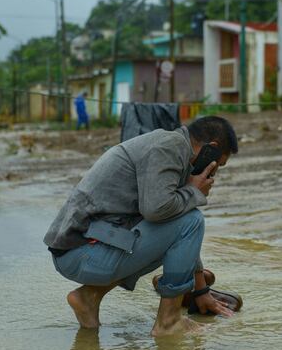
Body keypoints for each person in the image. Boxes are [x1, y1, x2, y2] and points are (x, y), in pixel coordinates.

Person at [44, 116, 238, 336]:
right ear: (209, 150)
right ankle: (169, 322)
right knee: (192, 220)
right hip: (81, 252)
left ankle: (89, 297)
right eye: (218, 164)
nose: (215, 173)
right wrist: (193, 191)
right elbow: (158, 211)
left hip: (81, 249)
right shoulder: (170, 148)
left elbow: (175, 228)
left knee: (185, 222)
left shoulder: (171, 148)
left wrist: (201, 289)